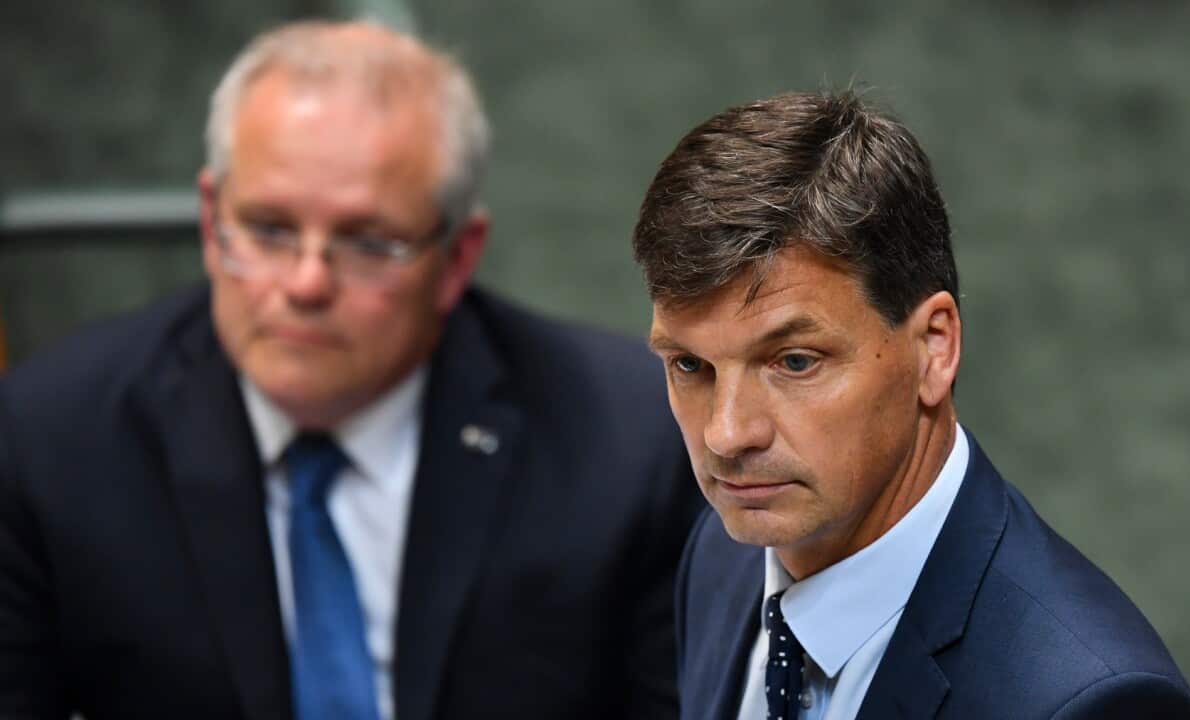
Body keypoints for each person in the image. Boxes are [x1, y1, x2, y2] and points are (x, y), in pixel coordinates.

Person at [0, 19, 701, 720]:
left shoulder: (625, 443)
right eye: (269, 229)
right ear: (213, 221)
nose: (306, 283)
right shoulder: (50, 440)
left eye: (368, 242)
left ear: (457, 257)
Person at [631, 91, 1190, 719]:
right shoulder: (721, 556)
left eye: (795, 361)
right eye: (690, 366)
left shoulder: (1092, 701)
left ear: (935, 347)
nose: (726, 434)